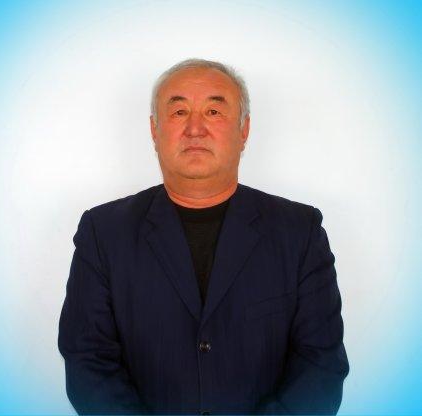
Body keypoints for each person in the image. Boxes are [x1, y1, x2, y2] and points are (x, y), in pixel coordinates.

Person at [58, 58, 349, 415]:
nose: (195, 129)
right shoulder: (103, 233)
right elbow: (88, 361)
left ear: (244, 130)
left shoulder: (299, 232)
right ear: (154, 130)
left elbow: (320, 364)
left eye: (214, 111)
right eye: (179, 112)